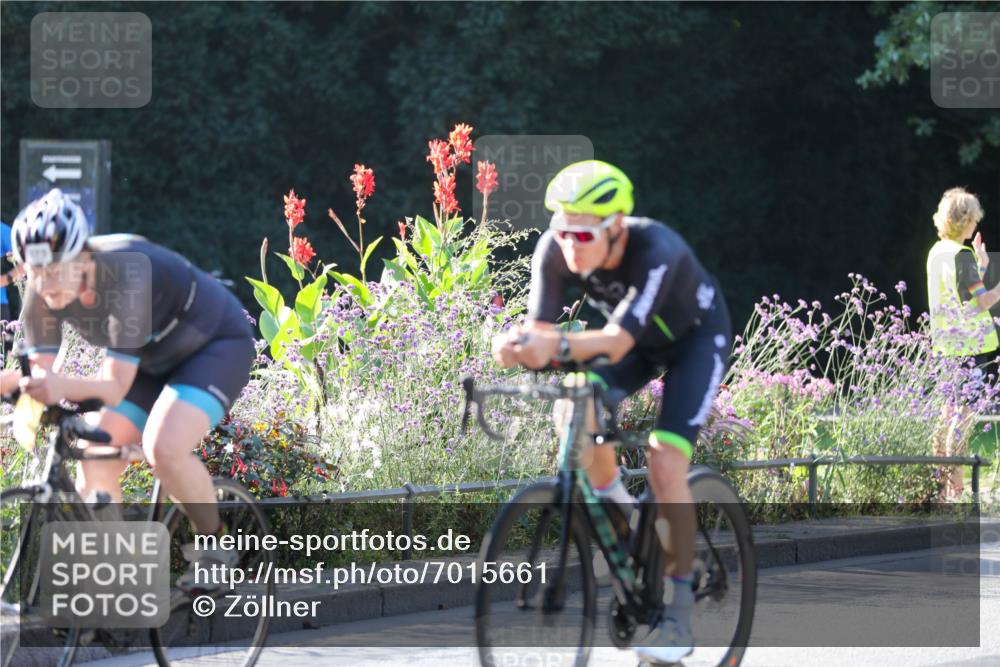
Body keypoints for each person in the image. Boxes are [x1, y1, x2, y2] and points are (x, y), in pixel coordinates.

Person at [492, 160, 731, 663]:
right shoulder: (554, 252)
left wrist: (549, 343)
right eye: (562, 232)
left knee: (666, 461)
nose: (570, 246)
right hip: (635, 348)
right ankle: (620, 514)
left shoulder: (656, 249)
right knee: (570, 408)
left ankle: (679, 616)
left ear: (616, 226)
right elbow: (542, 329)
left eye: (583, 235)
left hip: (693, 342)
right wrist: (514, 346)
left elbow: (617, 337)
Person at [2, 188, 255, 589]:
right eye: (35, 274)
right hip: (150, 364)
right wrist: (18, 389)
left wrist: (47, 385)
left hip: (214, 345)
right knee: (96, 454)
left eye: (54, 271)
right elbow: (40, 375)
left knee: (163, 447)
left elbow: (114, 386)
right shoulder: (41, 294)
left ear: (83, 256)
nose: (46, 285)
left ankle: (216, 547)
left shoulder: (127, 272)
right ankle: (119, 584)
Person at [926, 187, 1000, 501]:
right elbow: (982, 300)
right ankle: (956, 486)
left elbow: (963, 290)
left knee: (947, 413)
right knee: (964, 415)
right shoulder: (962, 255)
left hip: (945, 346)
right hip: (970, 347)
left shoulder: (938, 252)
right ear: (965, 220)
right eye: (974, 220)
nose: (976, 225)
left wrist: (981, 267)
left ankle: (940, 483)